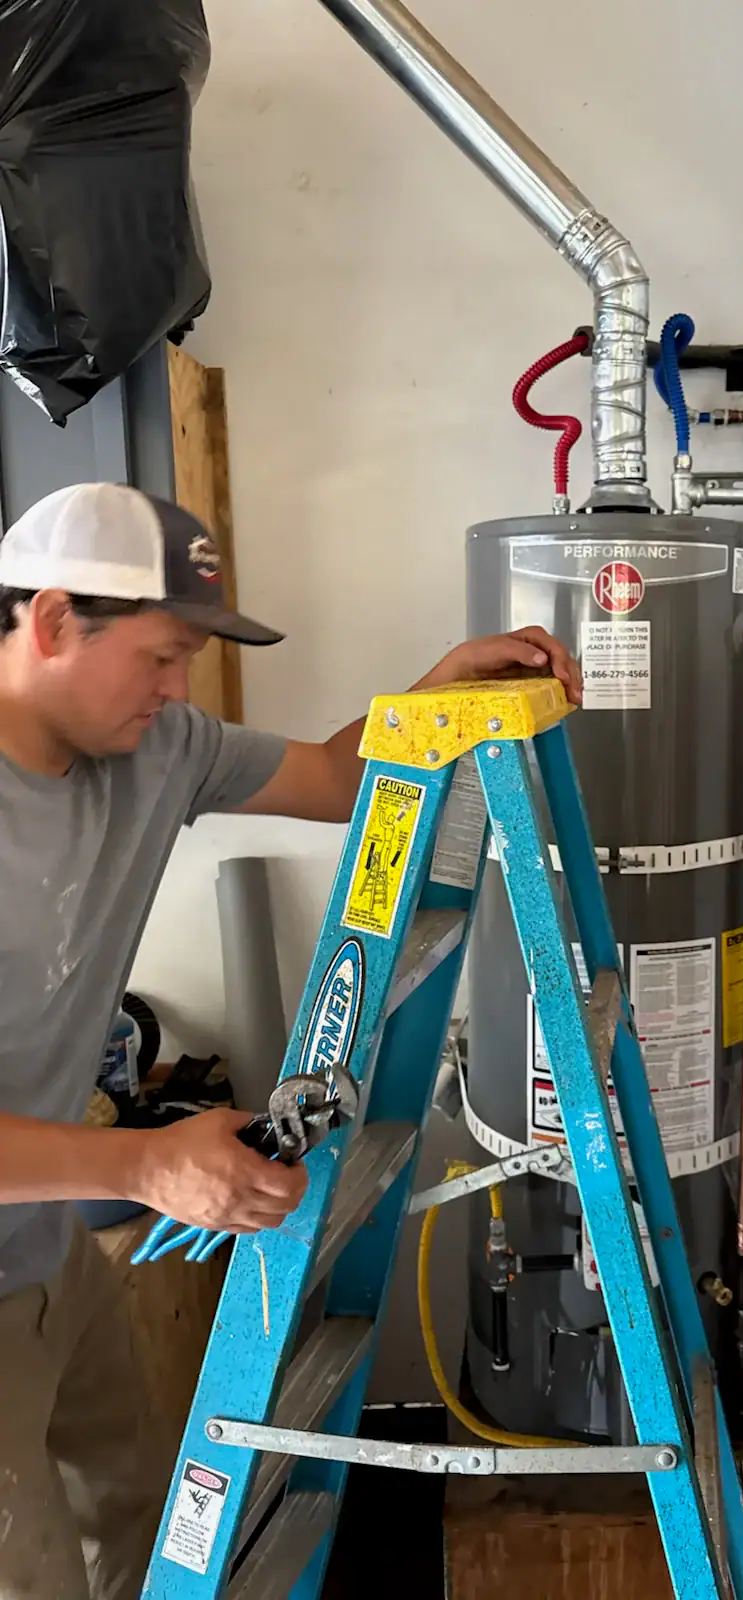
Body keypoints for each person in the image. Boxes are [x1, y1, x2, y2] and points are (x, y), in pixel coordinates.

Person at [0, 481, 582, 1600]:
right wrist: (146, 1164)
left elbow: (332, 775)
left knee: (128, 1531)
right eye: (162, 656)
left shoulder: (154, 747)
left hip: (48, 1259)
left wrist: (432, 697)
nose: (179, 689)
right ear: (55, 619)